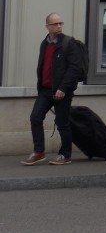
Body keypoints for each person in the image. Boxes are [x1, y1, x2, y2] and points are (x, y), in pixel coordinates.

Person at [22, 13, 85, 166]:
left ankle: (65, 155)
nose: (59, 26)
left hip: (62, 91)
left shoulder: (68, 43)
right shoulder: (45, 43)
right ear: (47, 27)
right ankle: (39, 152)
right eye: (55, 24)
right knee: (35, 117)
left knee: (62, 122)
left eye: (60, 23)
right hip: (45, 90)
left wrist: (63, 88)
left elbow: (74, 68)